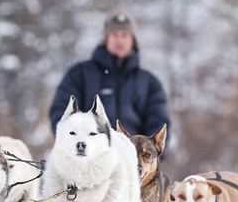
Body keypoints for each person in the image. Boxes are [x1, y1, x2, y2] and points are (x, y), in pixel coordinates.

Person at [49, 10, 171, 144]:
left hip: (132, 158)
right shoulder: (79, 74)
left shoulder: (149, 82)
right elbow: (61, 113)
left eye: (125, 35)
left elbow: (159, 123)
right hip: (87, 156)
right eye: (114, 34)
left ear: (133, 40)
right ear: (106, 38)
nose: (119, 40)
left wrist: (145, 154)